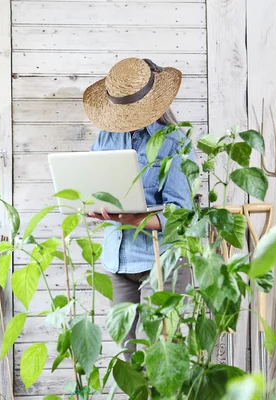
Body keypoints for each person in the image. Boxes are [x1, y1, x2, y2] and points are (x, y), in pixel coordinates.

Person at [82, 58, 194, 356]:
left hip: (162, 260)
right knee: (130, 358)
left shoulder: (174, 143)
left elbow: (180, 216)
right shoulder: (107, 137)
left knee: (161, 355)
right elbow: (94, 184)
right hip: (118, 260)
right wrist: (92, 205)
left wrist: (132, 217)